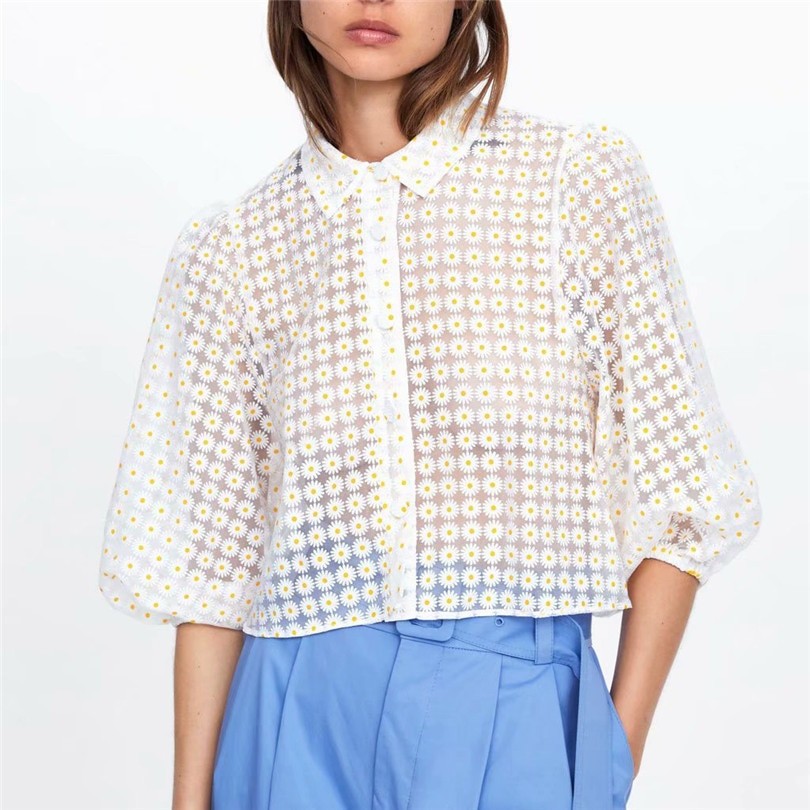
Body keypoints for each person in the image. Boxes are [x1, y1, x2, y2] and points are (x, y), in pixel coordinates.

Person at [96, 1, 763, 808]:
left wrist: (610, 753)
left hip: (514, 708)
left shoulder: (574, 182)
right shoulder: (232, 249)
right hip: (291, 715)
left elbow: (684, 495)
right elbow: (213, 578)